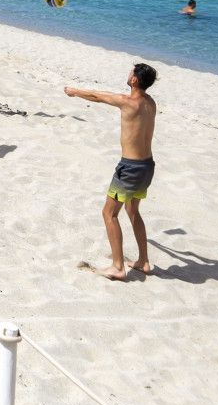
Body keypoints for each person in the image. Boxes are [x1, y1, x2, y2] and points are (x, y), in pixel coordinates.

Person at [63, 63, 159, 282]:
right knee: (133, 210)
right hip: (147, 166)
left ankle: (118, 267)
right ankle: (144, 261)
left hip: (130, 168)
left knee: (109, 214)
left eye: (131, 72)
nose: (128, 73)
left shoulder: (128, 102)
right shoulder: (151, 103)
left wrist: (75, 91)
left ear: (134, 80)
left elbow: (97, 96)